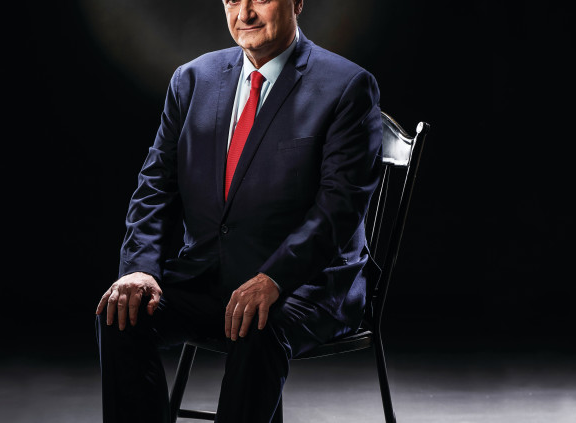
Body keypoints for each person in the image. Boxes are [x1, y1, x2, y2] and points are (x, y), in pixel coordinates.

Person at [95, 0, 382, 421]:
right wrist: (140, 269)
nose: (244, 14)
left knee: (257, 324)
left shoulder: (347, 86)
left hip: (309, 284)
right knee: (121, 313)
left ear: (297, 3)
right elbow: (155, 187)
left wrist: (274, 278)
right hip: (209, 274)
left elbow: (338, 209)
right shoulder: (192, 80)